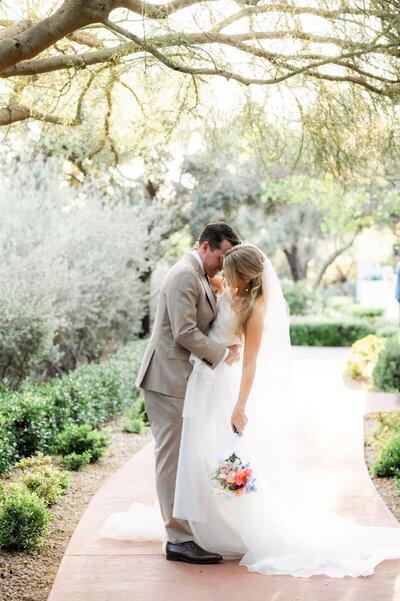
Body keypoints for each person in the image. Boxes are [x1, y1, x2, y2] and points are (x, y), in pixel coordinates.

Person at [100, 242, 400, 577]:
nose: (220, 276)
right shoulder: (219, 285)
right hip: (199, 383)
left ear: (240, 274)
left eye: (227, 270)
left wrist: (239, 407)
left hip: (219, 386)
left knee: (217, 452)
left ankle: (223, 527)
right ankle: (192, 528)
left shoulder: (255, 308)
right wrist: (222, 344)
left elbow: (250, 365)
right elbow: (194, 317)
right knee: (196, 453)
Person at [133, 222, 241, 563]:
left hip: (183, 380)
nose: (222, 264)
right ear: (205, 246)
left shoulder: (200, 275)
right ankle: (177, 539)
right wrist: (223, 354)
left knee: (183, 456)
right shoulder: (184, 274)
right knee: (172, 457)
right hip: (167, 380)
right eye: (221, 255)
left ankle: (184, 529)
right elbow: (184, 331)